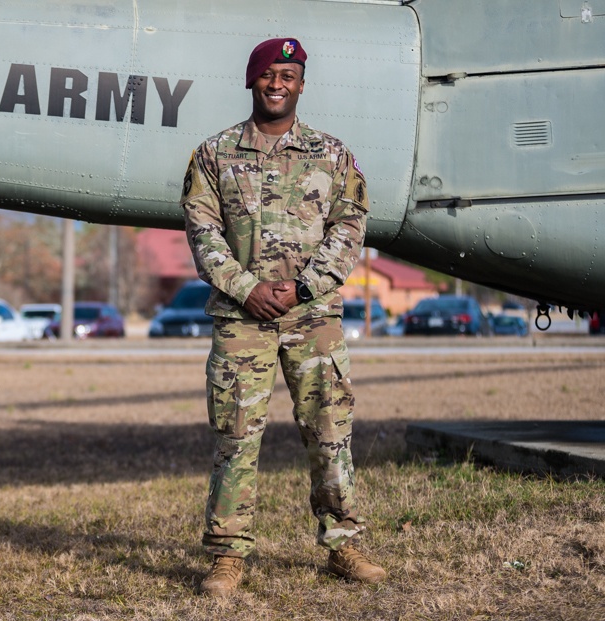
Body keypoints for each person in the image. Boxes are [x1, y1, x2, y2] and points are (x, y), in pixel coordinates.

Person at [180, 37, 386, 596]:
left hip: (313, 318)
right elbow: (203, 232)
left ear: (301, 84)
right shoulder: (213, 155)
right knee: (236, 438)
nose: (278, 84)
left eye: (288, 75)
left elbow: (349, 228)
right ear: (253, 80)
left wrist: (302, 287)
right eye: (269, 74)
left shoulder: (333, 155)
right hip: (241, 320)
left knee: (330, 432)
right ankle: (227, 556)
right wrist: (247, 289)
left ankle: (344, 545)